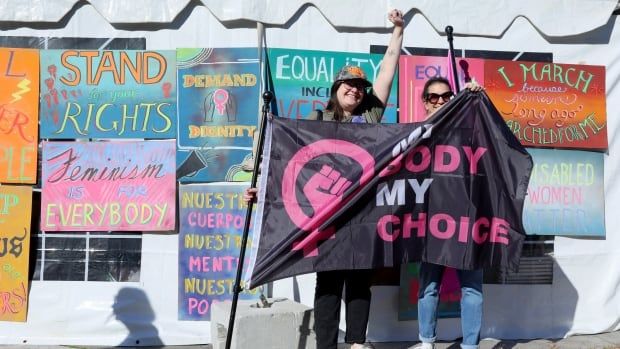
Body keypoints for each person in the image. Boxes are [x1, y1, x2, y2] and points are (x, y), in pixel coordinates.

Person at [244, 9, 405, 349]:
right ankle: (327, 345)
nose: (355, 91)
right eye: (349, 85)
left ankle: (358, 343)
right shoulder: (316, 118)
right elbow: (290, 160)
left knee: (361, 281)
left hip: (363, 213)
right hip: (327, 214)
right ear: (336, 88)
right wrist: (259, 183)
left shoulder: (371, 116)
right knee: (329, 283)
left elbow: (388, 72)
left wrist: (397, 32)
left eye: (361, 87)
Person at [411, 76, 484, 349]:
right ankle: (427, 342)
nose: (440, 100)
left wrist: (477, 100)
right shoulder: (414, 132)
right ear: (424, 102)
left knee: (472, 288)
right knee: (429, 285)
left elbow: (494, 136)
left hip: (467, 220)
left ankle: (470, 346)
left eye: (446, 96)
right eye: (433, 96)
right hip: (431, 222)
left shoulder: (469, 128)